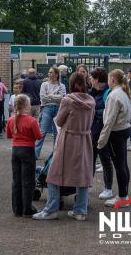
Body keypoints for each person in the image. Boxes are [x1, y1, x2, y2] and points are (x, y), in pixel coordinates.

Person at [33, 73, 95, 221]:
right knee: (82, 175)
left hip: (68, 139)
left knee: (54, 174)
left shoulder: (68, 100)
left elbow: (59, 121)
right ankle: (80, 211)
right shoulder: (91, 100)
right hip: (85, 138)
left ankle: (51, 210)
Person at [98, 69, 131, 207]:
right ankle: (124, 194)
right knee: (123, 164)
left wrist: (101, 141)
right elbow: (130, 113)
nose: (107, 81)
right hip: (124, 129)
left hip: (116, 132)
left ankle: (123, 197)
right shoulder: (124, 93)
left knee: (119, 165)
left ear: (112, 79)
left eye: (108, 79)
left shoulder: (114, 95)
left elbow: (109, 120)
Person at [6, 94, 42, 218]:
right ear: (27, 106)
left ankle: (17, 209)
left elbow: (9, 135)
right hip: (27, 150)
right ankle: (27, 209)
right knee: (28, 181)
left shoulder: (11, 120)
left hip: (15, 150)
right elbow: (38, 136)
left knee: (16, 180)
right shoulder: (32, 120)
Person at [89, 67, 114, 200]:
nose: (90, 80)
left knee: (105, 160)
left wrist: (93, 113)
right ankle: (87, 185)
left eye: (92, 78)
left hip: (102, 133)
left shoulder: (108, 94)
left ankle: (108, 188)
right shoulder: (92, 92)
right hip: (92, 131)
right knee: (90, 160)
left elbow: (108, 113)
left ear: (97, 79)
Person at [35, 67, 66, 159]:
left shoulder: (62, 86)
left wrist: (50, 96)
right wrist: (55, 97)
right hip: (47, 108)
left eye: (51, 72)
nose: (49, 74)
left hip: (58, 109)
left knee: (56, 133)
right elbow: (43, 98)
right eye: (49, 72)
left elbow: (62, 98)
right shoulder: (44, 84)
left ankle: (55, 155)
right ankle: (35, 154)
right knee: (42, 131)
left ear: (56, 74)